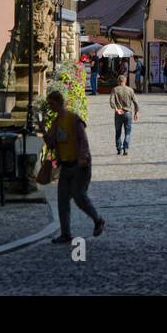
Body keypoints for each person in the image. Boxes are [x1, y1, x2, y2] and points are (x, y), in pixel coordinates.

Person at [41, 90, 105, 243]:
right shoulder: (56, 122)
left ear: (58, 103)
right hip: (65, 165)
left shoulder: (73, 119)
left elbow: (83, 140)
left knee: (79, 196)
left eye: (51, 104)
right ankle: (66, 234)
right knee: (62, 200)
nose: (50, 107)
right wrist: (42, 128)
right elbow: (50, 143)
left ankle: (98, 220)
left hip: (80, 165)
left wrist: (83, 157)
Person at [110, 72, 140, 156]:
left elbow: (111, 101)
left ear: (118, 81)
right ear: (125, 81)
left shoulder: (115, 89)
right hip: (128, 113)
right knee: (128, 132)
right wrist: (137, 112)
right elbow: (136, 102)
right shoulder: (130, 90)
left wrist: (116, 109)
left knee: (118, 131)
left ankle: (119, 148)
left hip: (118, 113)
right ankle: (125, 148)